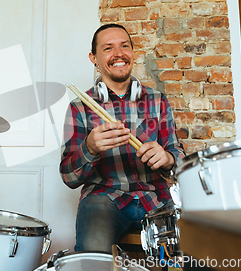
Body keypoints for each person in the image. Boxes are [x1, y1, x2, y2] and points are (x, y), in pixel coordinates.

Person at [60, 23, 185, 253]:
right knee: (92, 252)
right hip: (103, 197)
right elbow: (69, 177)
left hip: (157, 197)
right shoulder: (79, 106)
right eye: (108, 48)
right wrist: (90, 147)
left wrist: (167, 158)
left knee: (196, 249)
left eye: (124, 46)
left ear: (132, 52)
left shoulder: (157, 100)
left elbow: (178, 157)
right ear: (94, 58)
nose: (119, 54)